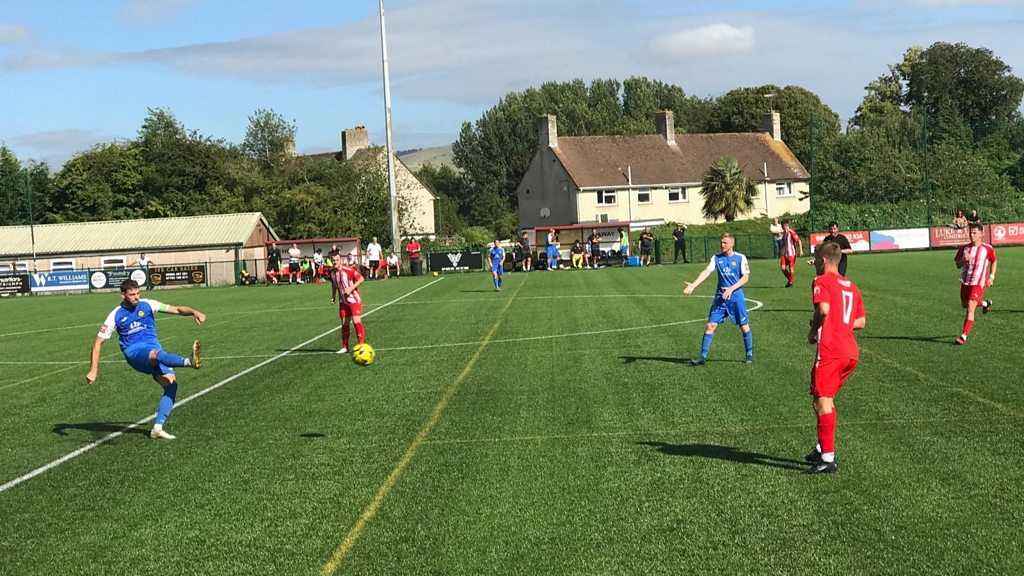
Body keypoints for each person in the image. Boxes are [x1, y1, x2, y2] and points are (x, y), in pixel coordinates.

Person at [85, 279, 204, 440]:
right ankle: (189, 362)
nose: (136, 297)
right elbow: (98, 343)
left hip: (153, 349)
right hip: (134, 353)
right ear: (122, 294)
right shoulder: (115, 315)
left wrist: (194, 312)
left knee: (171, 385)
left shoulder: (148, 304)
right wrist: (93, 370)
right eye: (132, 294)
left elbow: (175, 309)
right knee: (155, 353)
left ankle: (157, 428)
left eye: (138, 293)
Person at [804, 242, 866, 474]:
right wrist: (841, 322)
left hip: (831, 350)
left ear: (823, 260)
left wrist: (813, 331)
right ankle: (822, 448)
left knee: (822, 401)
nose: (815, 263)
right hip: (850, 352)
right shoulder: (851, 286)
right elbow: (860, 322)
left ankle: (828, 459)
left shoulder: (821, 281)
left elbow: (824, 310)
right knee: (823, 400)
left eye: (816, 258)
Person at [683, 233, 755, 365]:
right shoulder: (716, 258)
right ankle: (702, 357)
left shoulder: (741, 258)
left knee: (744, 326)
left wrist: (731, 289)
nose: (722, 245)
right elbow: (706, 271)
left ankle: (749, 354)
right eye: (721, 242)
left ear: (732, 244)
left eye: (725, 242)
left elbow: (745, 277)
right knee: (710, 325)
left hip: (736, 298)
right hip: (720, 298)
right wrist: (694, 284)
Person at [954, 222, 996, 345]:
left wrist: (992, 277)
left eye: (974, 233)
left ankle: (963, 336)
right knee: (964, 304)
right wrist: (963, 259)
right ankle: (985, 303)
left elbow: (994, 261)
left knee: (970, 308)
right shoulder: (964, 248)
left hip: (979, 282)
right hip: (966, 282)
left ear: (981, 234)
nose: (971, 235)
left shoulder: (987, 249)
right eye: (970, 233)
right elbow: (957, 265)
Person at [332, 253, 366, 354]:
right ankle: (345, 346)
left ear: (340, 260)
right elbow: (334, 285)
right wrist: (333, 296)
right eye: (333, 260)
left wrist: (351, 288)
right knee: (344, 323)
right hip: (343, 302)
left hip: (354, 300)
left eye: (337, 260)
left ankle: (361, 345)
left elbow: (361, 279)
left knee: (356, 321)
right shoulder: (332, 273)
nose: (335, 262)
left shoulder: (348, 270)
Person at [779, 220, 803, 287]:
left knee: (791, 268)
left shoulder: (791, 232)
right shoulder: (784, 233)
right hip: (784, 253)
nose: (782, 227)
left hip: (791, 254)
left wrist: (801, 250)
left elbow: (798, 240)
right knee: (782, 268)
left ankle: (790, 282)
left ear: (786, 225)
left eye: (783, 226)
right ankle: (790, 280)